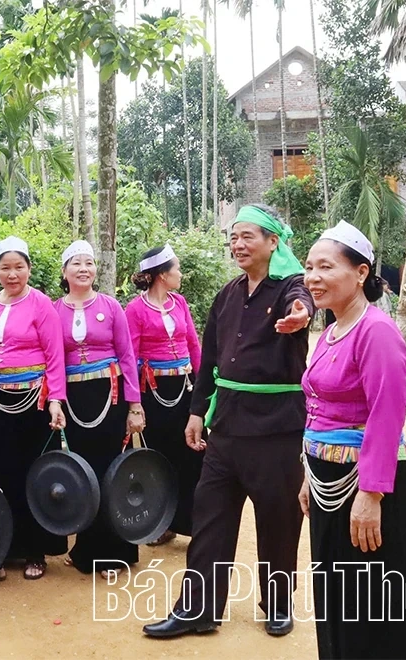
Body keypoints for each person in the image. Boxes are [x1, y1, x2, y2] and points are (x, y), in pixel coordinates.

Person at [143, 204, 315, 639]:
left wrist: (300, 314)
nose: (238, 245)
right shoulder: (227, 295)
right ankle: (198, 609)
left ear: (272, 242)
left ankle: (277, 603)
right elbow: (210, 362)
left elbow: (305, 299)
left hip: (278, 428)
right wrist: (198, 411)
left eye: (248, 237)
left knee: (278, 520)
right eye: (234, 237)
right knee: (210, 518)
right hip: (227, 428)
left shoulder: (289, 287)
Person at [299, 222, 406, 659]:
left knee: (372, 608)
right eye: (309, 267)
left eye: (326, 267)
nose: (312, 277)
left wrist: (370, 493)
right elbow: (318, 410)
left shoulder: (377, 331)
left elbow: (388, 414)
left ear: (361, 272)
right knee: (337, 601)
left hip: (367, 484)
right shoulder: (331, 332)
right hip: (328, 480)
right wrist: (308, 476)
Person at [0, 236, 67, 580]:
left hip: (33, 402)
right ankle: (1, 550)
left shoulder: (41, 304)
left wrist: (56, 399)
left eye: (19, 267)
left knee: (32, 475)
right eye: (5, 268)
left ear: (29, 269)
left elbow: (55, 356)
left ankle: (35, 551)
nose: (13, 274)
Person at [54, 240, 143, 577]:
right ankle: (86, 550)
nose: (84, 269)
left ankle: (114, 553)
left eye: (89, 263)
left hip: (111, 395)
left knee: (111, 470)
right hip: (75, 401)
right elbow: (53, 360)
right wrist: (57, 401)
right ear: (65, 271)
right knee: (83, 473)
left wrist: (135, 405)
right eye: (76, 263)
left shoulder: (111, 306)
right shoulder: (54, 310)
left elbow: (127, 357)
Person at [124, 244, 203, 546]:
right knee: (160, 459)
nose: (180, 274)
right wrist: (134, 403)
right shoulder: (135, 309)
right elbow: (129, 357)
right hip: (154, 392)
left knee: (192, 453)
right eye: (177, 269)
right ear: (161, 275)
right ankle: (163, 523)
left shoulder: (179, 302)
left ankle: (195, 523)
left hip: (183, 389)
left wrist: (204, 385)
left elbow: (193, 345)